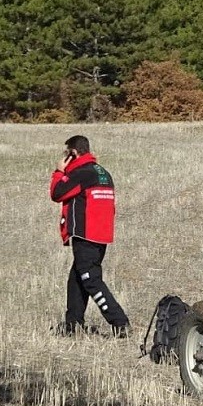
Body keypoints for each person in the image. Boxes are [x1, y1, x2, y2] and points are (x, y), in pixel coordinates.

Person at [50, 135, 129, 337]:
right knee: (76, 278)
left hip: (86, 236)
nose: (64, 158)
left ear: (73, 154)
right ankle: (72, 325)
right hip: (100, 235)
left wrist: (59, 171)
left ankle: (120, 323)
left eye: (66, 154)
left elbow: (57, 193)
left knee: (90, 280)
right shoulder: (102, 173)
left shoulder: (81, 173)